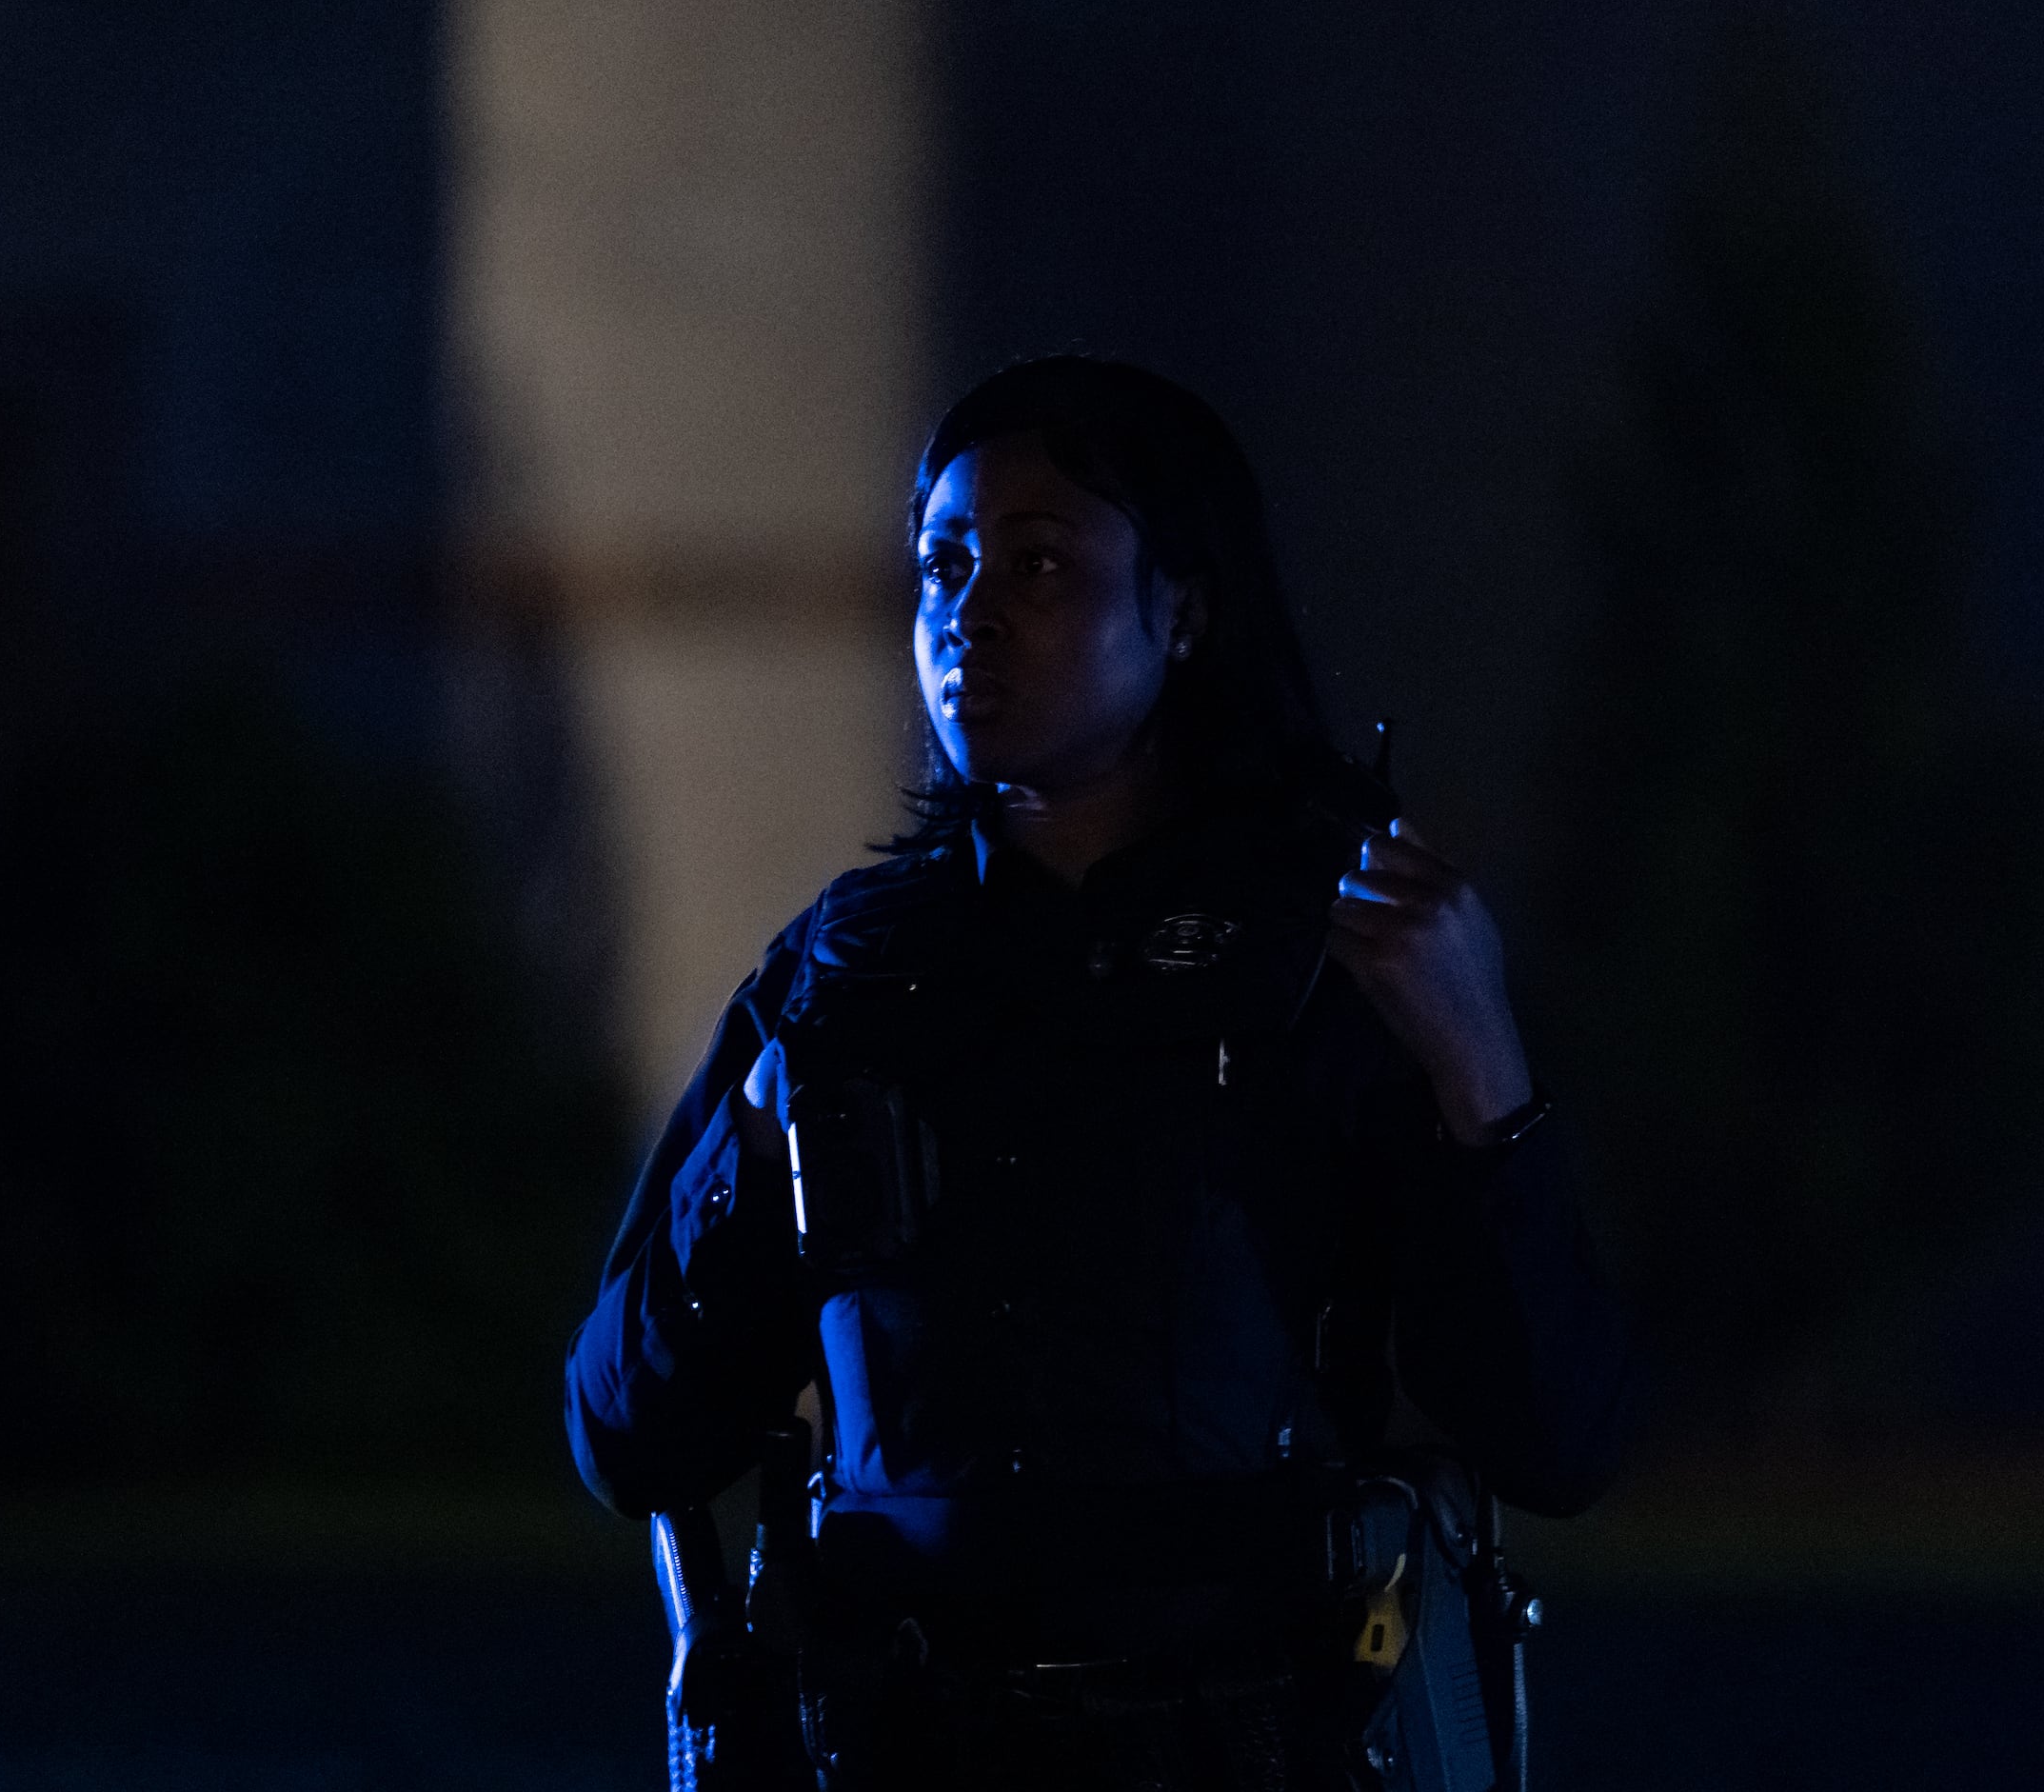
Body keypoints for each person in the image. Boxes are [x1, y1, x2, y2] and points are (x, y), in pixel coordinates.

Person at [564, 357, 1631, 1790]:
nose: (972, 612)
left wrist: (1477, 1061)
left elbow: (1555, 1436)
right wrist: (743, 1174)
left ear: (1183, 609)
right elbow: (623, 1434)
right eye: (944, 564)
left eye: (1044, 561)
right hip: (904, 1740)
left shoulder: (1330, 956)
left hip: (1257, 1735)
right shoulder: (843, 978)